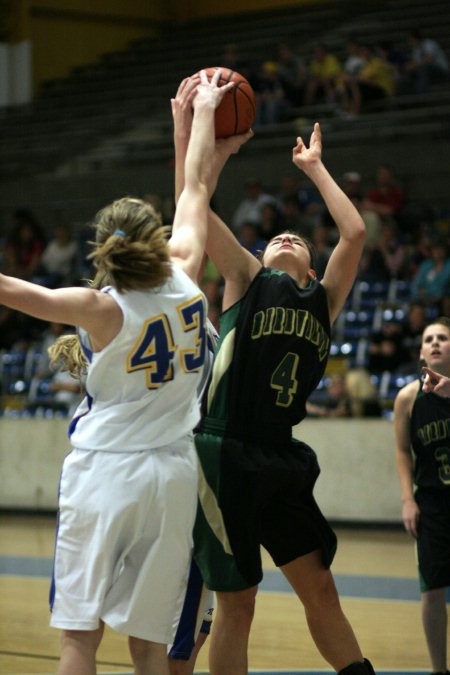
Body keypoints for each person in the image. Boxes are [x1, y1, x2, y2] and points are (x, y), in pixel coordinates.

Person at [0, 69, 233, 675]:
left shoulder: (99, 308)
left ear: (104, 251)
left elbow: (8, 288)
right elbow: (195, 187)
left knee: (80, 636)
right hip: (173, 476)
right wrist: (202, 111)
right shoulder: (186, 275)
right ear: (155, 243)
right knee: (149, 644)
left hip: (106, 474)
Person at [173, 75, 375, 675]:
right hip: (225, 449)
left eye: (297, 239)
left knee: (321, 587)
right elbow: (195, 204)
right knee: (239, 604)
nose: (285, 237)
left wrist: (315, 169)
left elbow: (356, 232)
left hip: (280, 455)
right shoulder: (243, 278)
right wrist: (189, 133)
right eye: (274, 237)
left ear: (313, 269)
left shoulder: (325, 300)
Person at [393, 316, 450, 675]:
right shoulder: (408, 398)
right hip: (432, 503)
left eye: (443, 337)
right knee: (431, 591)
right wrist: (407, 499)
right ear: (421, 354)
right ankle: (438, 670)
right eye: (428, 338)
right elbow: (401, 451)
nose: (434, 343)